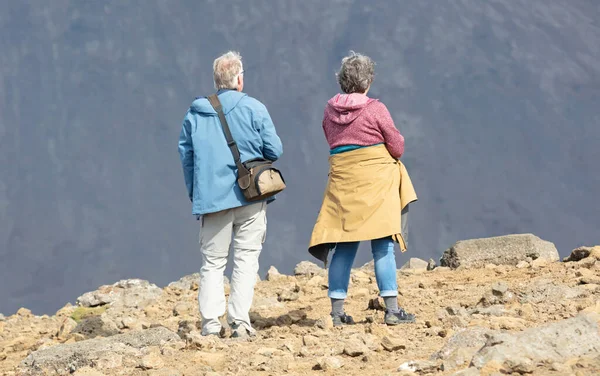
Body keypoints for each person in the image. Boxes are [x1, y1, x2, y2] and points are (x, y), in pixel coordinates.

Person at [178, 51, 283, 338]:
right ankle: (240, 322)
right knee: (246, 258)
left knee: (213, 262)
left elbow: (187, 157)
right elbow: (275, 150)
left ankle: (211, 324)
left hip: (212, 199)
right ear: (239, 79)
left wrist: (196, 193)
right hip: (251, 196)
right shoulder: (255, 108)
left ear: (217, 81)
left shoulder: (195, 114)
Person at [309, 51, 417, 327]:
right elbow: (397, 147)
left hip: (344, 187)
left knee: (344, 247)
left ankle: (336, 314)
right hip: (376, 187)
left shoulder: (328, 111)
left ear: (342, 82)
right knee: (382, 246)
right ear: (368, 81)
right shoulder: (375, 109)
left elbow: (331, 140)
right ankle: (392, 310)